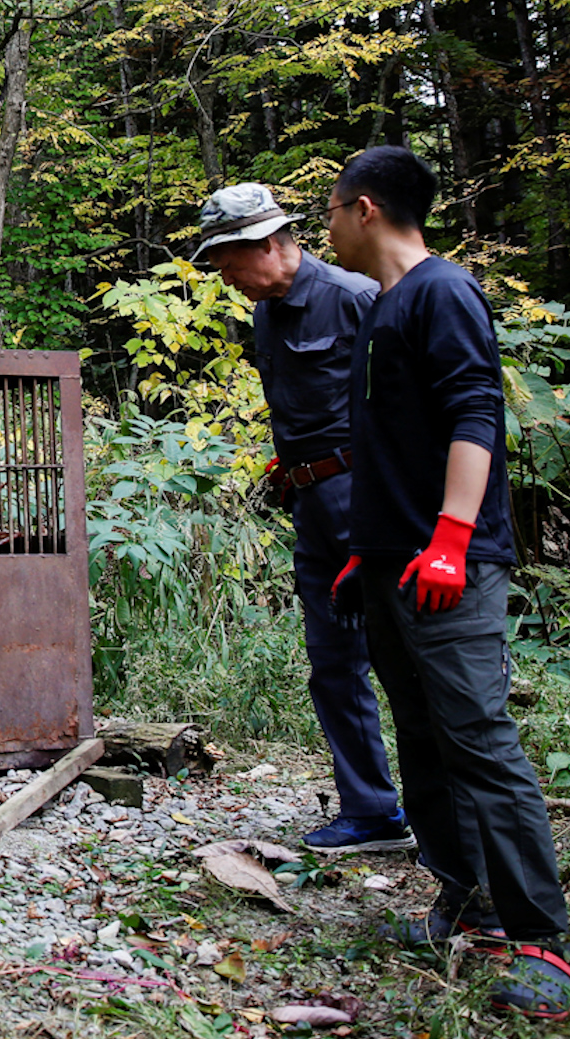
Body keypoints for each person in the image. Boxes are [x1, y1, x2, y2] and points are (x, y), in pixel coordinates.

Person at [325, 146, 570, 1020]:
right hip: (394, 567)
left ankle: (544, 941)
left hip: (449, 570)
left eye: (328, 211)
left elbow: (477, 413)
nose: (326, 229)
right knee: (424, 736)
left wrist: (450, 540)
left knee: (479, 740)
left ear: (365, 209)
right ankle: (464, 905)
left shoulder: (443, 291)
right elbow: (398, 447)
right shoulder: (384, 307)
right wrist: (373, 546)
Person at [192, 183, 411, 855]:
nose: (229, 280)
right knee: (332, 662)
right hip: (311, 505)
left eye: (231, 265)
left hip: (364, 501)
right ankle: (372, 812)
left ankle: (452, 819)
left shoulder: (354, 297)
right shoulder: (267, 314)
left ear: (268, 245)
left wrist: (376, 513)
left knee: (402, 658)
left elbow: (400, 417)